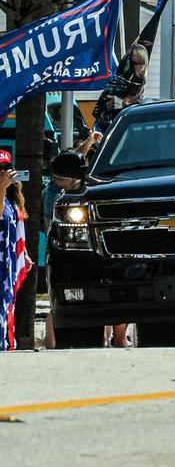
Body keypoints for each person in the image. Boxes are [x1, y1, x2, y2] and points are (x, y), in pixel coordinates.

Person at [41, 136, 108, 349]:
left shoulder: (80, 191)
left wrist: (88, 142)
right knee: (63, 306)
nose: (55, 179)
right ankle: (61, 344)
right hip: (66, 255)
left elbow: (71, 161)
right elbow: (69, 162)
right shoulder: (55, 195)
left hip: (85, 257)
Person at [0, 150, 32, 352]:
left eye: (7, 169)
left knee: (7, 301)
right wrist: (1, 187)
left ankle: (5, 342)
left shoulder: (13, 200)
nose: (4, 173)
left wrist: (25, 253)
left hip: (8, 261)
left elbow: (16, 229)